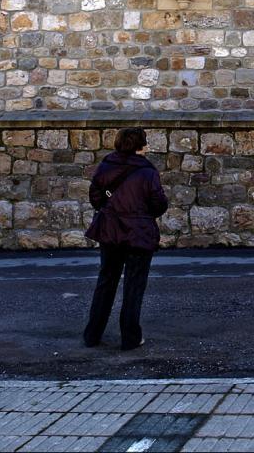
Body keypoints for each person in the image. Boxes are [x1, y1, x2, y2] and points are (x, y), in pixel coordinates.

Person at [83, 126, 168, 351]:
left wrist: (112, 210)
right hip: (138, 233)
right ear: (141, 146)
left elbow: (95, 197)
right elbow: (159, 204)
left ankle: (92, 334)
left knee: (106, 282)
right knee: (134, 285)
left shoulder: (106, 165)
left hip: (110, 231)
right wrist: (141, 215)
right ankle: (130, 337)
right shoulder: (148, 172)